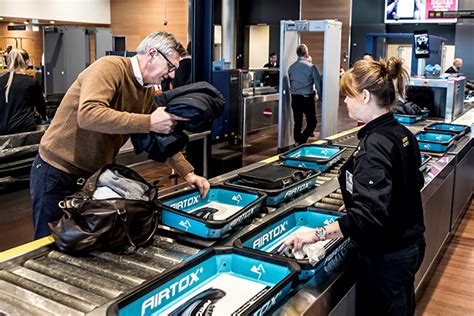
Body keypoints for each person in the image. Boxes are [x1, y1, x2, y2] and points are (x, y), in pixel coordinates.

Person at [281, 56, 426, 315]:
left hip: (387, 257)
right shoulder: (401, 133)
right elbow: (415, 182)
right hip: (410, 247)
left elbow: (369, 217)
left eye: (348, 95)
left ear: (366, 96)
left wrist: (316, 234)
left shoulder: (375, 146)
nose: (345, 101)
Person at [30, 31, 210, 239]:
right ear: (152, 54)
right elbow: (88, 114)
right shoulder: (109, 67)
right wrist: (148, 122)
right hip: (57, 173)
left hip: (91, 177)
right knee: (48, 244)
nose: (171, 75)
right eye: (170, 67)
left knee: (78, 241)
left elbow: (162, 139)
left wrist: (188, 173)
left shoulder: (147, 92)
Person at [0, 48, 47, 135]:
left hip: (2, 130)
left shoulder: (1, 80)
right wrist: (44, 116)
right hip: (23, 130)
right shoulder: (30, 81)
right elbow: (40, 104)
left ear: (8, 62)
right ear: (26, 62)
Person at [288, 44, 322, 145]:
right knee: (312, 122)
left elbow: (291, 82)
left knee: (297, 123)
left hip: (295, 98)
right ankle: (301, 141)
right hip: (307, 98)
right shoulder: (311, 67)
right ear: (306, 53)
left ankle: (297, 142)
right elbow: (318, 83)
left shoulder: (291, 67)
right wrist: (320, 96)